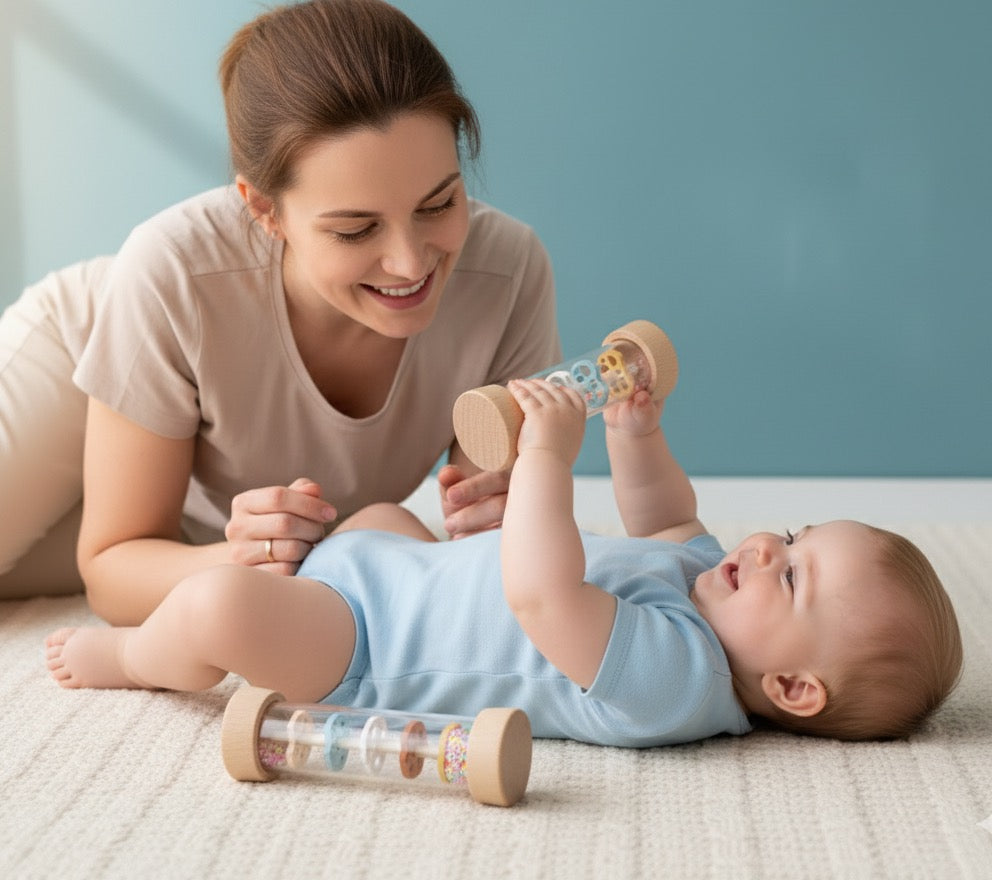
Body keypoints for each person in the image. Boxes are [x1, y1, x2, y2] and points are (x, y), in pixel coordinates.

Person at [0, 0, 561, 617]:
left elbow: (483, 548)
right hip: (80, 378)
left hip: (201, 518)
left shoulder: (507, 276)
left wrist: (511, 512)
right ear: (264, 210)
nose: (409, 263)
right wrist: (238, 559)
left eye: (438, 205)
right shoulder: (172, 272)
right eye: (355, 229)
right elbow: (112, 573)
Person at [46, 376, 963, 746]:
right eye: (795, 538)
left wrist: (547, 461)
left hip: (364, 654)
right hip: (400, 580)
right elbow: (666, 515)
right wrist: (635, 432)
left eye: (793, 577)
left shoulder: (680, 681)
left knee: (220, 608)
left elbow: (538, 595)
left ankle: (133, 658)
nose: (768, 549)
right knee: (375, 515)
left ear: (795, 688)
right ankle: (344, 555)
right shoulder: (706, 583)